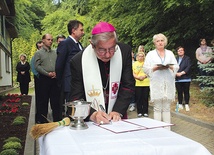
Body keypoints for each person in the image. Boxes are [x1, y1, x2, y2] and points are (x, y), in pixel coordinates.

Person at [70, 21, 135, 124]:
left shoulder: (124, 51)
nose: (108, 55)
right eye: (102, 50)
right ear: (92, 44)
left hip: (117, 115)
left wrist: (117, 110)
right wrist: (93, 114)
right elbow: (76, 97)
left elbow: (128, 85)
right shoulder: (78, 61)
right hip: (93, 121)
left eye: (112, 48)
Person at [143, 33, 179, 130]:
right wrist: (155, 68)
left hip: (168, 83)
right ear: (155, 43)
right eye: (158, 41)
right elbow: (145, 69)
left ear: (165, 42)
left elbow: (176, 66)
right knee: (158, 107)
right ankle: (157, 130)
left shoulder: (170, 53)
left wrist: (169, 66)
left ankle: (167, 130)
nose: (160, 43)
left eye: (162, 40)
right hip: (157, 83)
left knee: (167, 108)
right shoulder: (150, 54)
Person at [55, 20, 84, 117]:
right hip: (69, 82)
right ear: (73, 31)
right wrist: (60, 82)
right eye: (81, 30)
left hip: (79, 82)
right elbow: (59, 64)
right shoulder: (65, 43)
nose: (83, 32)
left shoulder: (79, 45)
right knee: (71, 109)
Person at [34, 34, 61, 123]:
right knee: (43, 101)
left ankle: (57, 121)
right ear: (43, 40)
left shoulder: (55, 52)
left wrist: (56, 72)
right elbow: (37, 66)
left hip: (54, 79)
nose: (50, 41)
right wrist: (47, 74)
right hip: (44, 79)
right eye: (48, 39)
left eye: (51, 40)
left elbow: (58, 64)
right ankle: (42, 122)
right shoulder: (38, 53)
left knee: (56, 101)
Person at [133, 52, 150, 117]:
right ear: (137, 57)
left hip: (146, 83)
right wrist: (138, 77)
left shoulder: (146, 64)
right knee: (139, 98)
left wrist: (144, 76)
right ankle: (139, 111)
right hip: (138, 83)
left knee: (145, 98)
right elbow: (133, 73)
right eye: (139, 56)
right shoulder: (134, 64)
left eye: (142, 56)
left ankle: (145, 111)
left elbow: (149, 72)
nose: (141, 57)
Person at [175, 46, 192, 111]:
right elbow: (173, 67)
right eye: (179, 51)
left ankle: (186, 103)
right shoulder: (175, 59)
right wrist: (176, 73)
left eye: (181, 50)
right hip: (177, 78)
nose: (180, 51)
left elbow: (188, 67)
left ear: (184, 51)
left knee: (186, 91)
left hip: (186, 78)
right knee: (179, 92)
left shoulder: (187, 58)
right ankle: (180, 103)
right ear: (177, 52)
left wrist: (182, 73)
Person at [30, 40, 43, 123]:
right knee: (39, 97)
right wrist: (38, 75)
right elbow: (33, 67)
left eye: (42, 46)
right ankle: (39, 115)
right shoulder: (35, 56)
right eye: (39, 47)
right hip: (39, 78)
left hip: (47, 78)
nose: (41, 48)